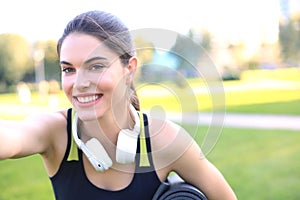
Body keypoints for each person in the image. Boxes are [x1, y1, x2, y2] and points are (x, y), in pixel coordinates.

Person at [0, 10, 237, 199]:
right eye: (68, 69)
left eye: (96, 66)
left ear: (129, 69)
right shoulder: (54, 132)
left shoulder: (165, 140)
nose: (80, 83)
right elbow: (11, 137)